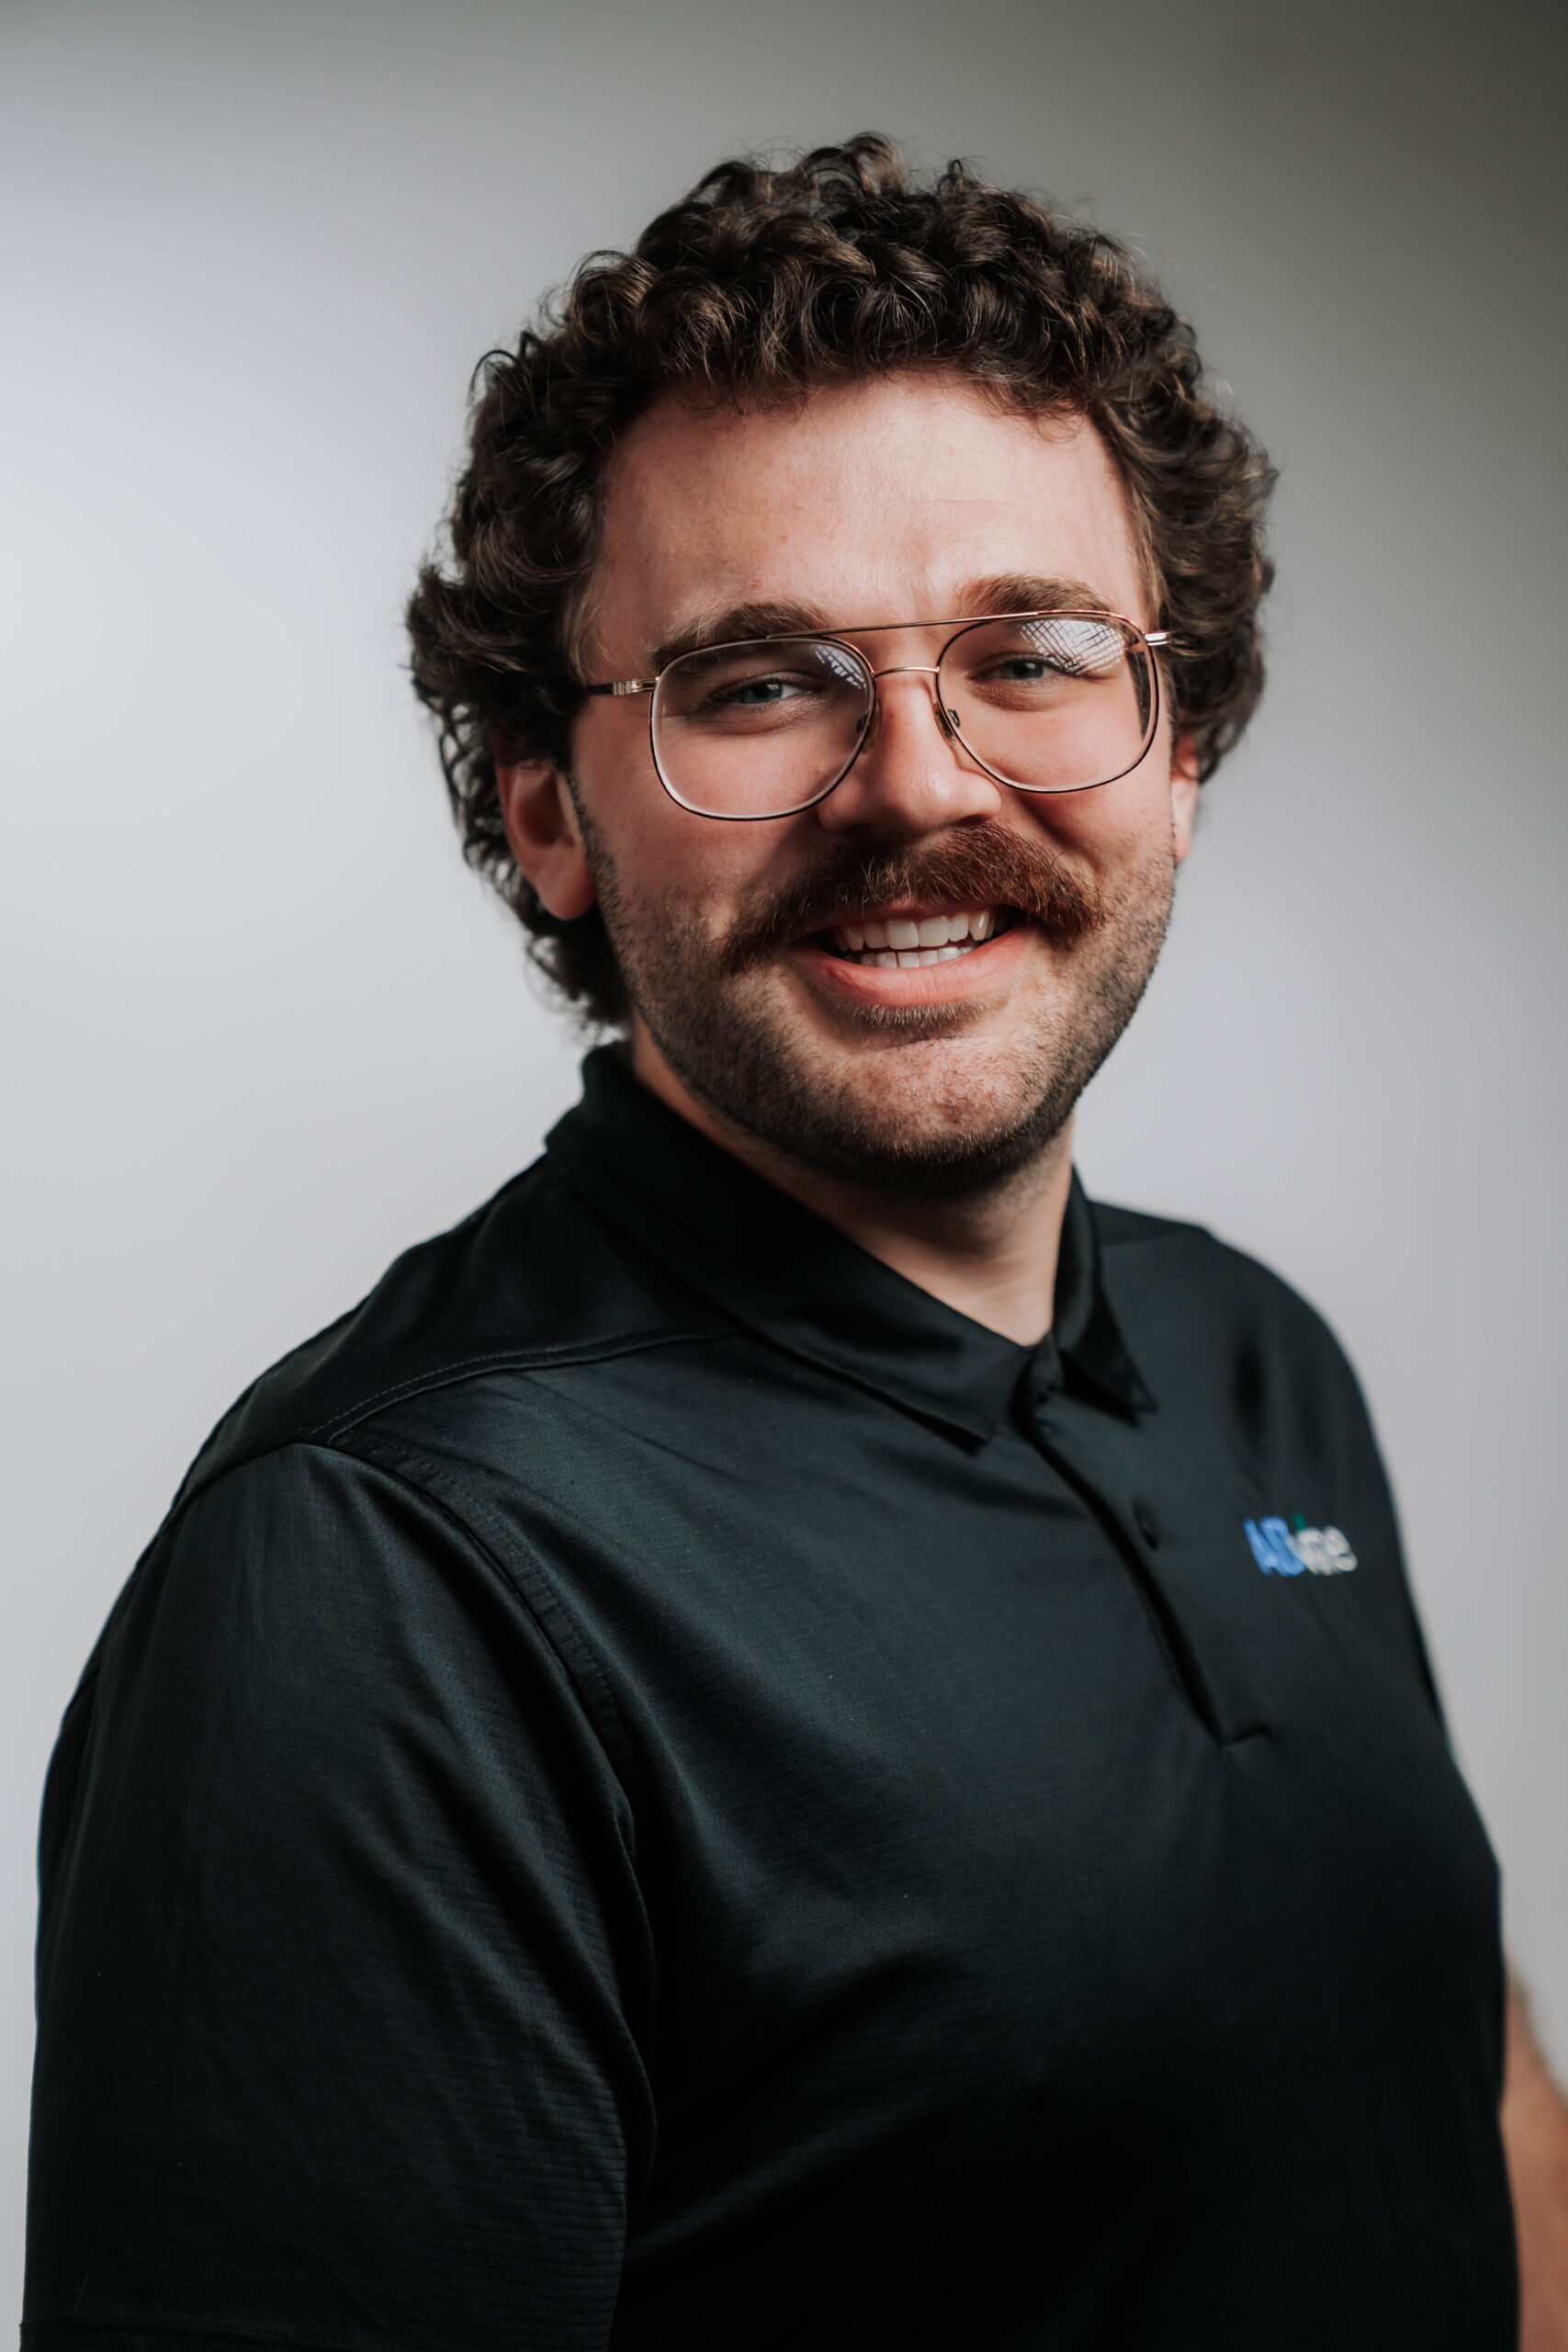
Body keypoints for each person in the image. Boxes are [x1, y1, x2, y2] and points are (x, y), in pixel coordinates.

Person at [24, 135, 1568, 2351]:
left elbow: (1453, 2071)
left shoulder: (1257, 1356)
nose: (919, 786)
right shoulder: (385, 1584)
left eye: (1027, 654)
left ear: (1180, 737)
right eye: (760, 683)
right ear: (546, 806)